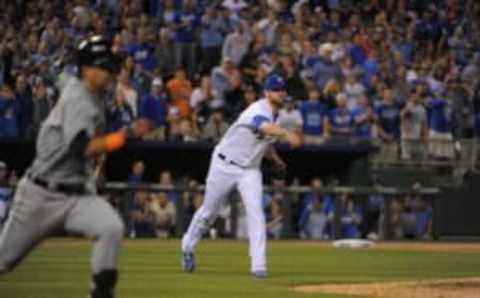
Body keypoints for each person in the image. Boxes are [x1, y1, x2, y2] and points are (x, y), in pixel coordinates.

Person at [0, 35, 152, 298]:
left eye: (111, 67)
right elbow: (82, 148)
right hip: (41, 195)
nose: (110, 73)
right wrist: (124, 136)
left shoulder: (93, 94)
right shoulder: (79, 97)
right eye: (104, 67)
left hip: (75, 194)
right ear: (86, 69)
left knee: (110, 227)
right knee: (3, 261)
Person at [181, 74, 302, 278]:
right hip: (224, 164)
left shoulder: (277, 117)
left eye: (282, 90)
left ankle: (258, 266)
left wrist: (276, 160)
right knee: (208, 213)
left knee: (256, 212)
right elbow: (262, 126)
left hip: (250, 170)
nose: (280, 93)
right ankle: (187, 247)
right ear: (266, 92)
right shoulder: (257, 109)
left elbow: (265, 143)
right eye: (276, 89)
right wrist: (287, 134)